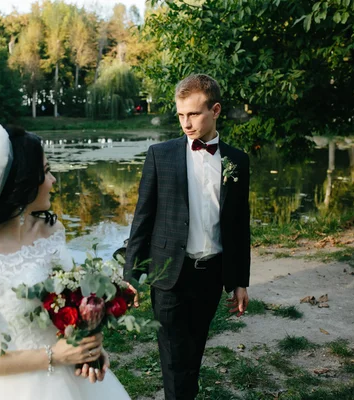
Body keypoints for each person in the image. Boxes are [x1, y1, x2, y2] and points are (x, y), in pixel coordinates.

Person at [0, 121, 130, 399]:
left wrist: (87, 346)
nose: (53, 181)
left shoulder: (52, 231)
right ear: (24, 183)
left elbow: (72, 298)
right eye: (46, 172)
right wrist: (53, 356)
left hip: (76, 380)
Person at [124, 74, 251, 399]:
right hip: (169, 276)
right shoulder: (160, 155)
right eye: (181, 115)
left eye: (193, 114)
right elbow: (143, 217)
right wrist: (131, 273)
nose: (186, 122)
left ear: (216, 110)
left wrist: (240, 280)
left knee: (193, 353)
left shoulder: (236, 161)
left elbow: (239, 225)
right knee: (174, 360)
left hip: (211, 276)